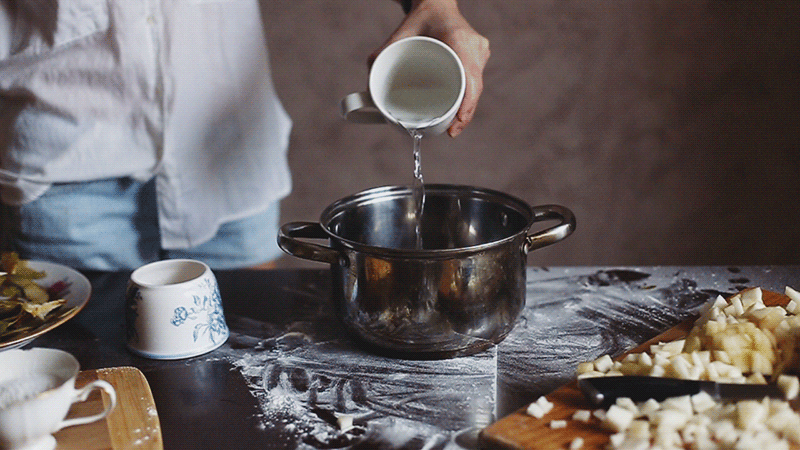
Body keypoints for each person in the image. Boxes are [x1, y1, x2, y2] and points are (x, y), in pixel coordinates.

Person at [0, 0, 490, 271]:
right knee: (89, 393)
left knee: (242, 381)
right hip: (64, 163)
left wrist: (436, 6)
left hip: (227, 158)